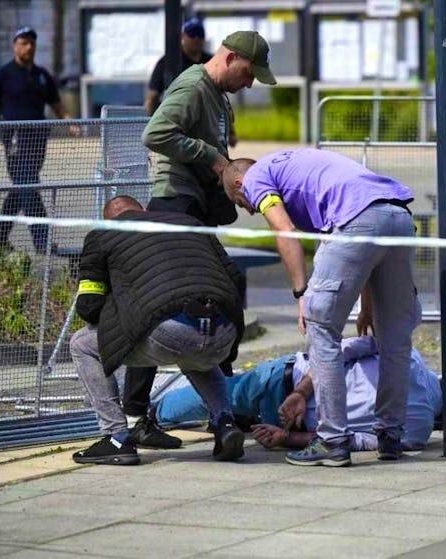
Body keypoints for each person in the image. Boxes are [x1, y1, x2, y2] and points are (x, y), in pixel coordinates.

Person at [121, 29, 276, 452]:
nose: (249, 83)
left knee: (219, 295)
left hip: (196, 206)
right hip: (175, 204)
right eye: (248, 73)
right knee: (166, 304)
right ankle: (140, 417)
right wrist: (214, 158)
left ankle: (221, 411)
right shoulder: (193, 85)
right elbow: (155, 134)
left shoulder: (216, 95)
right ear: (229, 58)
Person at [222, 148, 419, 467]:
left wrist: (303, 293)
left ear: (240, 183)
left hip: (357, 220)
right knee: (394, 338)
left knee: (321, 330)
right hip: (396, 215)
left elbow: (284, 231)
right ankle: (391, 437)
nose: (248, 210)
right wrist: (367, 304)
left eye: (239, 202)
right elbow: (364, 249)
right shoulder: (297, 170)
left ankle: (332, 441)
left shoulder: (256, 178)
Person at [69, 195, 247, 466]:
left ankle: (117, 437)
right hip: (223, 329)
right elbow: (236, 279)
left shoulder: (103, 235)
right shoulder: (188, 223)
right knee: (197, 351)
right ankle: (224, 423)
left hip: (171, 330)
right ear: (142, 210)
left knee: (82, 344)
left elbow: (88, 306)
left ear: (108, 220)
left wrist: (122, 309)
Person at [153, 336, 446, 452]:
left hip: (289, 378)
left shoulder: (406, 355)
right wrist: (285, 438)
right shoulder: (417, 432)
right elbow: (352, 440)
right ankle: (233, 424)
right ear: (444, 421)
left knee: (221, 394)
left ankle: (152, 415)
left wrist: (299, 392)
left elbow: (338, 351)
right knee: (234, 407)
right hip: (293, 425)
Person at [0, 26, 77, 254]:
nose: (29, 47)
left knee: (22, 186)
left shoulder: (42, 76)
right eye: (24, 42)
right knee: (29, 185)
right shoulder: (2, 74)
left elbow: (56, 104)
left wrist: (69, 121)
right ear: (15, 45)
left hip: (38, 139)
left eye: (32, 43)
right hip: (15, 138)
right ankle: (42, 241)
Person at [144, 17, 238, 148]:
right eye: (192, 34)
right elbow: (151, 98)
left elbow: (222, 100)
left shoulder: (210, 62)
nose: (196, 38)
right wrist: (152, 125)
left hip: (206, 126)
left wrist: (231, 132)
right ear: (183, 36)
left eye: (200, 34)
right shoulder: (168, 62)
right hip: (178, 123)